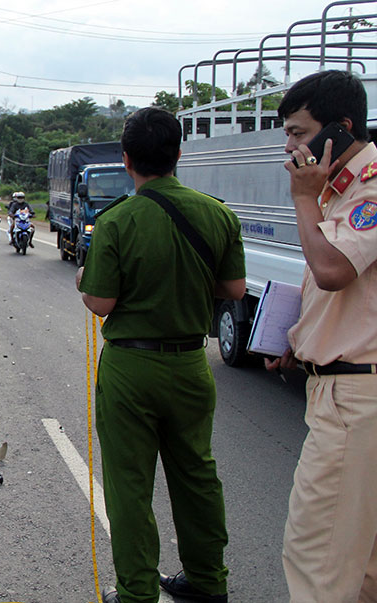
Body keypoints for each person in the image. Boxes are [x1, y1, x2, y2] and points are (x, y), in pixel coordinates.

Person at [76, 107, 246, 603]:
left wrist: (86, 282)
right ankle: (208, 582)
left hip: (132, 368)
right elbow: (234, 288)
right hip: (192, 365)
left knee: (129, 486)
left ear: (127, 160)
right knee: (196, 474)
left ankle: (136, 593)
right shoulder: (217, 213)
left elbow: (101, 303)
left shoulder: (117, 221)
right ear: (178, 155)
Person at [262, 70, 377, 603]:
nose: (289, 146)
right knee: (361, 570)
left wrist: (303, 199)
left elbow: (333, 269)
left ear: (342, 126)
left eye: (299, 132)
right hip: (344, 384)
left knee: (317, 560)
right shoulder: (341, 187)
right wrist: (301, 338)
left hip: (355, 399)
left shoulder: (369, 186)